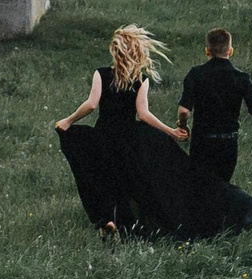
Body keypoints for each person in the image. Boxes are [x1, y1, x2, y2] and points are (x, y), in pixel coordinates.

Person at [54, 25, 192, 236]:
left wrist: (68, 120)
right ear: (136, 51)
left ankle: (108, 220)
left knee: (102, 179)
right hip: (129, 139)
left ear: (114, 51)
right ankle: (129, 226)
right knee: (128, 182)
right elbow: (143, 114)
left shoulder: (101, 74)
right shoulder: (141, 80)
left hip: (103, 136)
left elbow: (91, 105)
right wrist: (170, 132)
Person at [175, 28, 252, 238]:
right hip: (228, 145)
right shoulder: (241, 78)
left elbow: (184, 110)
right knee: (217, 187)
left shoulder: (196, 74)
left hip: (203, 143)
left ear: (207, 51)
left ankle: (250, 206)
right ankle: (216, 232)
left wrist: (182, 125)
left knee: (205, 188)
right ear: (231, 51)